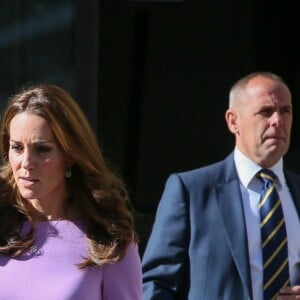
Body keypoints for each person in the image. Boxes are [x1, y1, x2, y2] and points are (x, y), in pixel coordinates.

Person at [142, 71, 300, 299]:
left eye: (285, 111)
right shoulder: (191, 191)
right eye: (266, 111)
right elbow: (156, 284)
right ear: (233, 121)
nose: (278, 120)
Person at [0, 84, 143, 299]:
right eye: (17, 148)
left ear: (70, 155)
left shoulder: (108, 239)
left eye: (42, 149)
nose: (26, 163)